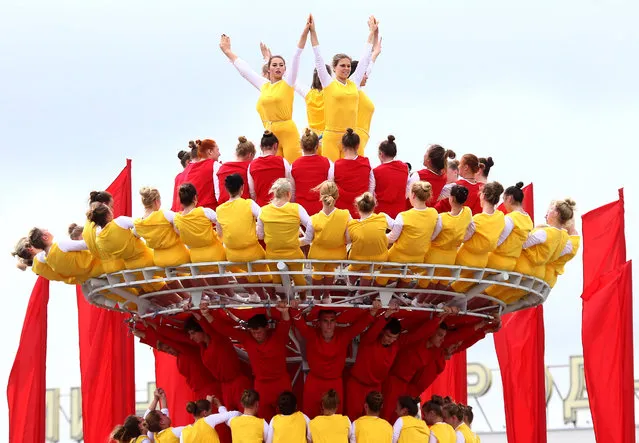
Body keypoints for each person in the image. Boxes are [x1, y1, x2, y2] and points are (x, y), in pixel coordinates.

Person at [220, 24, 309, 163]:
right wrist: (227, 51)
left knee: (294, 168)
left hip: (288, 131)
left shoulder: (287, 83)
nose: (278, 67)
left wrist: (304, 34)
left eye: (281, 65)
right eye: (274, 65)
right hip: (270, 134)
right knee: (274, 170)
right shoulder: (264, 85)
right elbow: (245, 71)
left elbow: (296, 57)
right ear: (268, 69)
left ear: (285, 68)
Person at [199, 300, 292, 422]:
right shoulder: (247, 338)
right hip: (261, 386)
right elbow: (224, 330)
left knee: (287, 419)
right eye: (253, 332)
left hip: (281, 383)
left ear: (267, 327)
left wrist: (285, 311)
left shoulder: (277, 336)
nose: (256, 335)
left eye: (259, 332)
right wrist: (207, 315)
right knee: (264, 420)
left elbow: (285, 324)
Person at [291, 301, 382, 417]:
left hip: (334, 383)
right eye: (325, 321)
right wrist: (294, 309)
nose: (329, 325)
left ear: (336, 322)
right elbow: (301, 326)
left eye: (332, 321)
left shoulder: (343, 335)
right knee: (310, 417)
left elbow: (358, 327)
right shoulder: (312, 335)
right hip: (314, 383)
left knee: (336, 418)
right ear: (319, 323)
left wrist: (373, 311)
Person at [309, 14, 378, 161]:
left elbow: (365, 59)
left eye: (348, 66)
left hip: (350, 138)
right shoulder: (328, 83)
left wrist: (371, 33)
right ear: (334, 68)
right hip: (331, 138)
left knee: (351, 173)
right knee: (332, 177)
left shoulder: (354, 82)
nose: (346, 68)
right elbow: (318, 58)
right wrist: (313, 32)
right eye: (342, 66)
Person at [497, 198, 576, 304]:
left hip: (521, 267)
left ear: (556, 213)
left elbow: (522, 244)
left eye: (551, 209)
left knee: (491, 292)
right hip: (538, 273)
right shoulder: (564, 238)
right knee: (504, 298)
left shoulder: (544, 233)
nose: (547, 212)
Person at [173, 183, 236, 300]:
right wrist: (220, 236)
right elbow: (221, 222)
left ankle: (217, 297)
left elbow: (177, 232)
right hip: (215, 253)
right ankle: (232, 296)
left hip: (196, 257)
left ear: (180, 201)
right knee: (218, 269)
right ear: (195, 198)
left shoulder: (177, 218)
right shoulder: (205, 212)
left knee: (204, 270)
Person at [215, 174, 273, 301]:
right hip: (252, 252)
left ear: (226, 189)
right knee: (264, 269)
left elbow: (219, 233)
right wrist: (259, 231)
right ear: (242, 188)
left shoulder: (219, 209)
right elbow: (264, 217)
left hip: (233, 255)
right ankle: (273, 297)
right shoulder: (249, 204)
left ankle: (261, 297)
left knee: (248, 271)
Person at [414, 185, 472, 302]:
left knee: (426, 279)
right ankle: (425, 302)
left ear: (451, 198)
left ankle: (413, 299)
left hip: (435, 254)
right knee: (440, 280)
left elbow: (432, 237)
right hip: (451, 256)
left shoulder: (441, 218)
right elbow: (470, 229)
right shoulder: (467, 212)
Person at [184, 316, 252, 411]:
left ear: (202, 329)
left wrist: (195, 313)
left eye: (193, 333)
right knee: (229, 419)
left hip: (238, 383)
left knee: (247, 416)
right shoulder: (202, 347)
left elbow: (211, 327)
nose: (191, 337)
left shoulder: (219, 338)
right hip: (225, 387)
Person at [381, 181, 439, 290]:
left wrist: (381, 237)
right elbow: (434, 232)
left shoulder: (403, 216)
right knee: (406, 278)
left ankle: (370, 298)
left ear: (412, 195)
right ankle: (396, 299)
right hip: (417, 258)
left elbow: (392, 238)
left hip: (397, 257)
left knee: (382, 277)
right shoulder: (434, 213)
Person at [258, 178, 313, 290]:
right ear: (288, 193)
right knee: (299, 279)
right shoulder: (296, 208)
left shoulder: (263, 210)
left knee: (277, 281)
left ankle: (282, 301)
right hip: (293, 253)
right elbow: (311, 224)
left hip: (272, 255)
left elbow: (260, 236)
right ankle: (302, 299)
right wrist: (306, 240)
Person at [451, 182, 505, 293]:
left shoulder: (477, 219)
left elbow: (464, 237)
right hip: (482, 263)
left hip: (464, 259)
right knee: (458, 289)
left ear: (483, 195)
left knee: (438, 279)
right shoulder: (500, 217)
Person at [305, 181, 350, 302]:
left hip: (317, 255)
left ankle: (315, 298)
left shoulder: (313, 219)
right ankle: (326, 296)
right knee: (330, 272)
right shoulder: (345, 215)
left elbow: (307, 239)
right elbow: (349, 238)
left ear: (320, 196)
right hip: (337, 256)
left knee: (317, 272)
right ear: (337, 196)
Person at [346, 193, 394, 292]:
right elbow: (397, 226)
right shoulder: (382, 218)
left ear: (357, 208)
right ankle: (359, 296)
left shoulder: (352, 225)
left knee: (353, 270)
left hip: (357, 260)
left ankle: (351, 285)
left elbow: (347, 241)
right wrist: (387, 238)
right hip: (379, 259)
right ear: (374, 206)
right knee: (368, 273)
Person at [133, 187, 190, 267]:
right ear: (156, 201)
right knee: (196, 264)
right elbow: (184, 226)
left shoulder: (139, 224)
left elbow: (133, 236)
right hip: (178, 256)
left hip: (159, 261)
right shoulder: (165, 214)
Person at [486, 182, 533, 272]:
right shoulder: (528, 219)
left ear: (509, 198)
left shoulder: (511, 218)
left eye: (504, 199)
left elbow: (498, 240)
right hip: (511, 263)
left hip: (496, 260)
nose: (503, 203)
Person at [349, 38, 382, 156]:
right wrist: (371, 37)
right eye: (364, 74)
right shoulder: (352, 86)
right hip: (355, 138)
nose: (366, 76)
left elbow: (368, 68)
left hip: (362, 138)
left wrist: (375, 53)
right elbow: (364, 65)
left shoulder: (357, 90)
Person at [291, 128, 334, 215]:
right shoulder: (327, 163)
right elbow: (331, 188)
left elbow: (292, 192)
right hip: (322, 210)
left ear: (301, 146)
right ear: (317, 146)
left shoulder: (294, 165)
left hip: (301, 211)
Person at [334, 128, 375, 218]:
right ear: (357, 146)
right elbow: (372, 185)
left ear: (342, 146)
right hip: (361, 209)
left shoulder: (336, 165)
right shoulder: (366, 163)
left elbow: (331, 186)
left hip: (341, 211)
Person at [248, 131, 295, 206]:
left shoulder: (252, 165)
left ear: (260, 146)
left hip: (262, 209)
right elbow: (290, 187)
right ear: (275, 146)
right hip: (281, 207)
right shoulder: (282, 162)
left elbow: (252, 193)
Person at [370, 136, 410, 219]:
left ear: (381, 154)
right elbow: (407, 188)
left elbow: (370, 193)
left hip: (381, 213)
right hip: (400, 213)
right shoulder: (405, 168)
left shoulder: (375, 171)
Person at [215, 136, 257, 205]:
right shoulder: (249, 167)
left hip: (224, 207)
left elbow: (218, 193)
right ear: (250, 155)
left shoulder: (222, 168)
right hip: (243, 207)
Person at [182, 139, 221, 210]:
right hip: (211, 215)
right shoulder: (215, 165)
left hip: (195, 215)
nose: (219, 153)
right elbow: (219, 194)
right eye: (217, 150)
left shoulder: (190, 169)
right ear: (210, 151)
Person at [294, 64, 331, 139]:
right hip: (328, 136)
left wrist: (269, 61)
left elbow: (293, 80)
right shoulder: (332, 92)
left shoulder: (307, 92)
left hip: (312, 137)